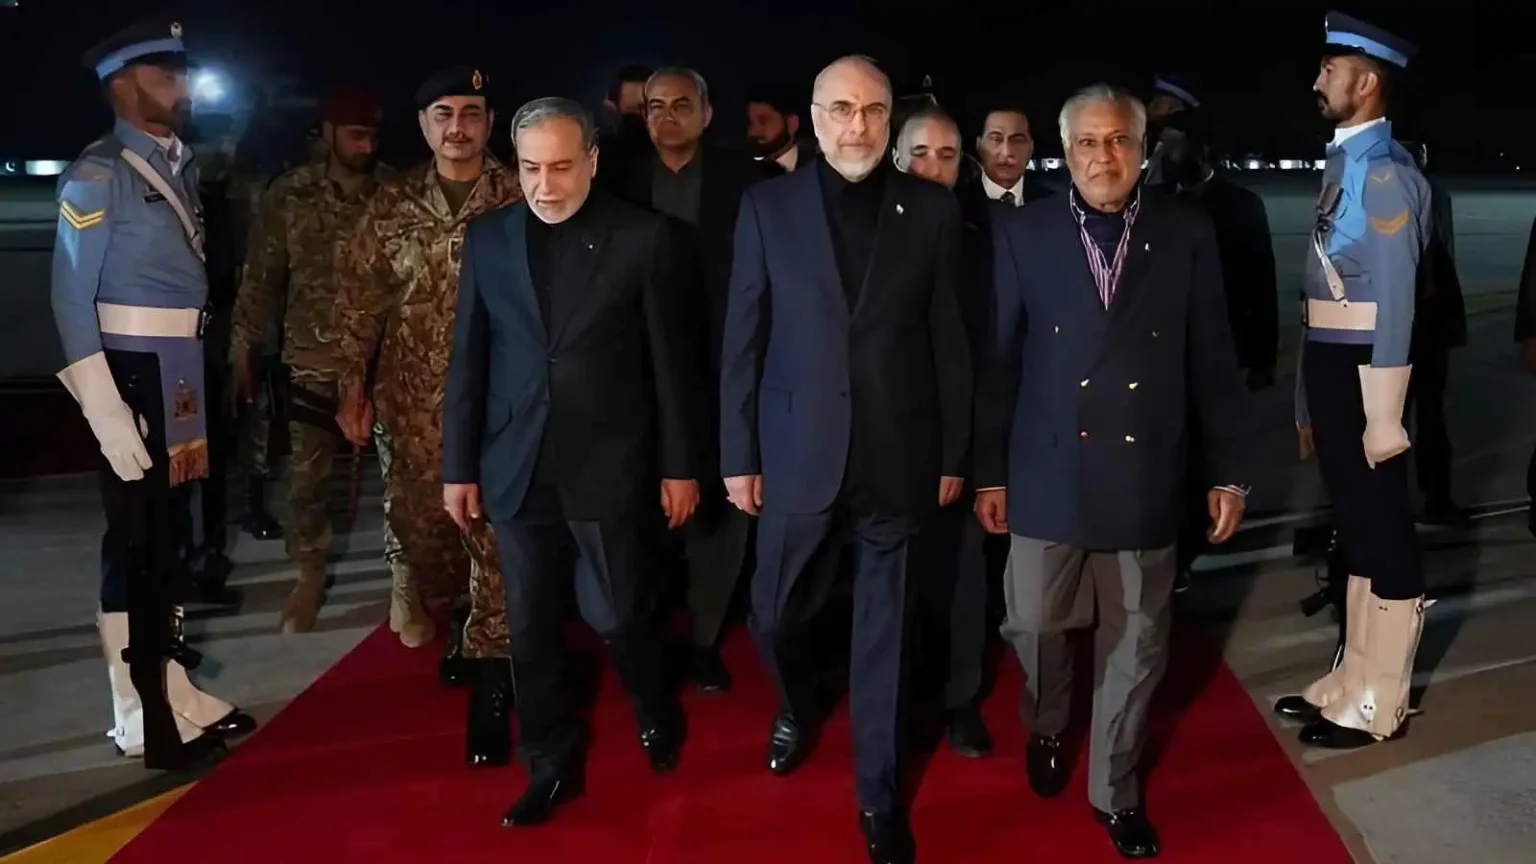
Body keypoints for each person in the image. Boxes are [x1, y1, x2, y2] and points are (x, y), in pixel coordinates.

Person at [974, 84, 1249, 859]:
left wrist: (1227, 471)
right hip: (1047, 470)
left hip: (1144, 469)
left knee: (1137, 645)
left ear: (1142, 149)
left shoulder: (1185, 230)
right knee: (1032, 623)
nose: (1104, 156)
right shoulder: (1023, 232)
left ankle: (1115, 789)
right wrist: (989, 472)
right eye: (1089, 142)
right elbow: (998, 363)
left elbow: (1213, 357)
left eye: (1119, 140)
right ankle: (1048, 720)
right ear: (1067, 152)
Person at [720, 55, 971, 864]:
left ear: (890, 119)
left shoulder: (930, 210)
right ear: (814, 116)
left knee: (884, 638)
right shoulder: (767, 207)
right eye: (841, 109)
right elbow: (744, 339)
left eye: (871, 110)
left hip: (899, 452)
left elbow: (949, 341)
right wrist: (737, 454)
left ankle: (879, 796)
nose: (856, 125)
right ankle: (798, 703)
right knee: (772, 613)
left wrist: (954, 450)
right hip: (797, 451)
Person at [442, 97, 698, 826]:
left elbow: (673, 367)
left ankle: (652, 704)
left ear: (591, 160)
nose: (544, 185)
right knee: (529, 624)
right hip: (516, 462)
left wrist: (680, 466)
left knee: (619, 609)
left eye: (560, 167)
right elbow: (469, 358)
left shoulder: (644, 239)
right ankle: (550, 761)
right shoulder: (489, 239)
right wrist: (458, 466)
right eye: (530, 168)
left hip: (611, 461)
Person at [54, 19, 256, 769]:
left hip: (177, 370)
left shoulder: (177, 164)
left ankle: (169, 681)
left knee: (170, 539)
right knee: (134, 544)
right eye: (164, 75)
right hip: (131, 372)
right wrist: (104, 409)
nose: (182, 87)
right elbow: (70, 296)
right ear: (121, 85)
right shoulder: (98, 173)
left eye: (183, 74)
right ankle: (135, 708)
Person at [334, 68, 524, 750]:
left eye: (471, 113)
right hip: (413, 405)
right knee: (427, 531)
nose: (457, 127)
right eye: (443, 113)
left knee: (498, 531)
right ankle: (465, 618)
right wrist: (351, 389)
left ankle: (495, 666)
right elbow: (358, 303)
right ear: (423, 124)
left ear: (490, 121)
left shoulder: (519, 193)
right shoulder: (390, 205)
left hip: (504, 401)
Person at [1273, 12, 1434, 753]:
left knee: (1383, 528)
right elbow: (1319, 293)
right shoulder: (1346, 163)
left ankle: (1382, 702)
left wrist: (1385, 411)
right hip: (1337, 364)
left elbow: (1396, 299)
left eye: (1330, 71)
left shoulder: (1386, 174)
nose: (1317, 80)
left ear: (1366, 83)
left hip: (1371, 366)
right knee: (1357, 525)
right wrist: (1308, 393)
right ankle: (1353, 677)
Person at [612, 66, 776, 691]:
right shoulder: (617, 181)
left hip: (723, 364)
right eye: (655, 106)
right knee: (644, 509)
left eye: (682, 105)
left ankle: (705, 636)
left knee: (721, 508)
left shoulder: (750, 181)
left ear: (707, 114)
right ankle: (653, 634)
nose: (668, 116)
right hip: (636, 370)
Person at [229, 86, 400, 635]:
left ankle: (409, 582)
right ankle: (308, 572)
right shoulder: (291, 194)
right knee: (307, 481)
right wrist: (244, 346)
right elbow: (262, 278)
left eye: (373, 136)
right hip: (311, 359)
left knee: (405, 481)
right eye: (355, 135)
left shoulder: (396, 193)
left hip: (386, 363)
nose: (366, 146)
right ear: (328, 134)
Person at [892, 104, 1008, 758]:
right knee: (893, 583)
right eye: (919, 153)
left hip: (957, 439)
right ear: (894, 156)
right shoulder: (866, 227)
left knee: (963, 580)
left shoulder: (983, 236)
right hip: (881, 441)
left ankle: (959, 699)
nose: (932, 168)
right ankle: (899, 696)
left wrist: (983, 464)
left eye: (945, 156)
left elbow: (990, 359)